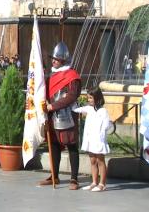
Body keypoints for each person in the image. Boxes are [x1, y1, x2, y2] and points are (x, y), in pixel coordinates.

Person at [40, 42, 81, 190]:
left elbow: (72, 96)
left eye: (56, 59)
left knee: (71, 146)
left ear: (63, 60)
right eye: (53, 58)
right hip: (52, 115)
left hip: (67, 114)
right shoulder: (52, 75)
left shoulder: (72, 76)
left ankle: (74, 179)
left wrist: (53, 106)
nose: (53, 61)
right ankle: (54, 176)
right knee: (54, 145)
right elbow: (47, 93)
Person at [73, 86, 111, 192]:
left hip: (98, 140)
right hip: (90, 139)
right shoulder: (89, 109)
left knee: (100, 160)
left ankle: (102, 183)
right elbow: (76, 109)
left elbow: (106, 125)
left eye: (90, 98)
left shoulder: (103, 111)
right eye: (88, 98)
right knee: (93, 160)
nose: (88, 100)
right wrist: (69, 99)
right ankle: (94, 182)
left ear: (97, 98)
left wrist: (101, 136)